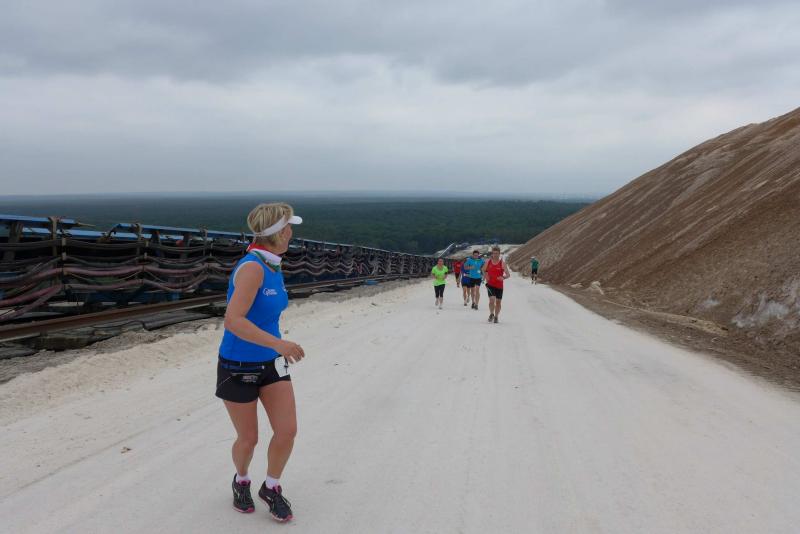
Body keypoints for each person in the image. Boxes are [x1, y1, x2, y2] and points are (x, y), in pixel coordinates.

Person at [217, 202, 305, 523]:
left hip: (271, 364)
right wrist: (279, 343)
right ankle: (241, 480)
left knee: (287, 431)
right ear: (278, 232)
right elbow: (233, 320)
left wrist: (275, 349)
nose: (292, 232)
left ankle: (271, 487)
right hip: (238, 364)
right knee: (248, 439)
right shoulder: (253, 267)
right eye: (289, 227)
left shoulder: (273, 265)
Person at [482, 245, 511, 323]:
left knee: (498, 302)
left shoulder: (502, 263)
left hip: (499, 286)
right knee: (492, 300)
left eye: (497, 253)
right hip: (490, 284)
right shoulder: (488, 262)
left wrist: (503, 277)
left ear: (499, 254)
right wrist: (486, 276)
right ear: (492, 254)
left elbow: (508, 275)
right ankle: (491, 314)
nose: (495, 255)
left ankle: (496, 316)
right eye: (494, 253)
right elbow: (483, 270)